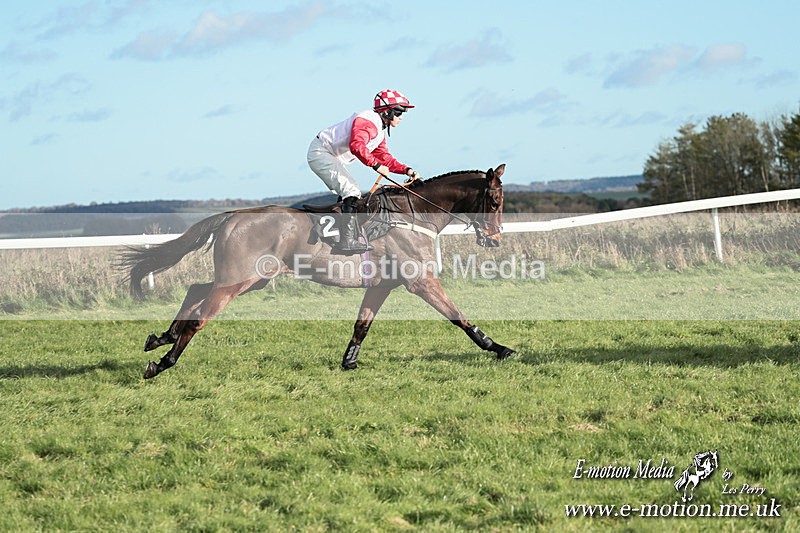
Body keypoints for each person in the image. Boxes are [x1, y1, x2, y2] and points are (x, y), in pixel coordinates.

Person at [307, 89, 421, 254]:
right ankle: (346, 241)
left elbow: (385, 158)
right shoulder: (368, 121)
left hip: (330, 155)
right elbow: (356, 146)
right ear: (386, 112)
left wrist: (406, 170)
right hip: (321, 153)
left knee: (351, 192)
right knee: (352, 191)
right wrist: (376, 166)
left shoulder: (379, 131)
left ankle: (340, 232)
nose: (401, 117)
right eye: (399, 112)